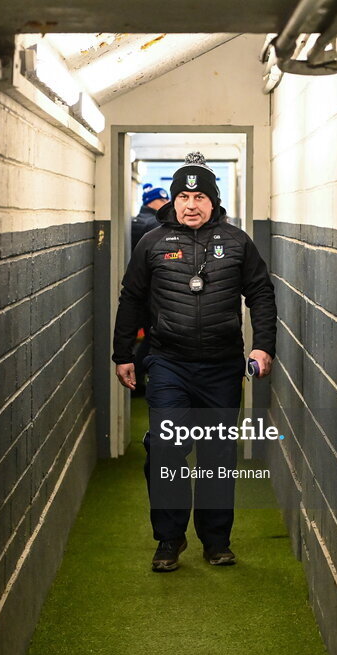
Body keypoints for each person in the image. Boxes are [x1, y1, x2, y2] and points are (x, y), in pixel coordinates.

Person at [112, 152, 277, 572]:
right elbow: (131, 298)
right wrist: (123, 354)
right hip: (168, 364)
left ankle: (216, 540)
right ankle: (169, 539)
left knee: (217, 456)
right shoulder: (152, 243)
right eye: (183, 197)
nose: (190, 205)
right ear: (173, 200)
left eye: (199, 197)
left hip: (222, 366)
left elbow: (260, 293)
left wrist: (263, 347)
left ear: (212, 200)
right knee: (165, 449)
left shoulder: (237, 242)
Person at [127, 185, 170, 397]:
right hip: (152, 292)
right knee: (154, 337)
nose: (167, 205)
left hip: (137, 289)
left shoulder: (133, 222)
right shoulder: (155, 224)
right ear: (153, 202)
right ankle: (137, 377)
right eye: (163, 201)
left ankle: (137, 377)